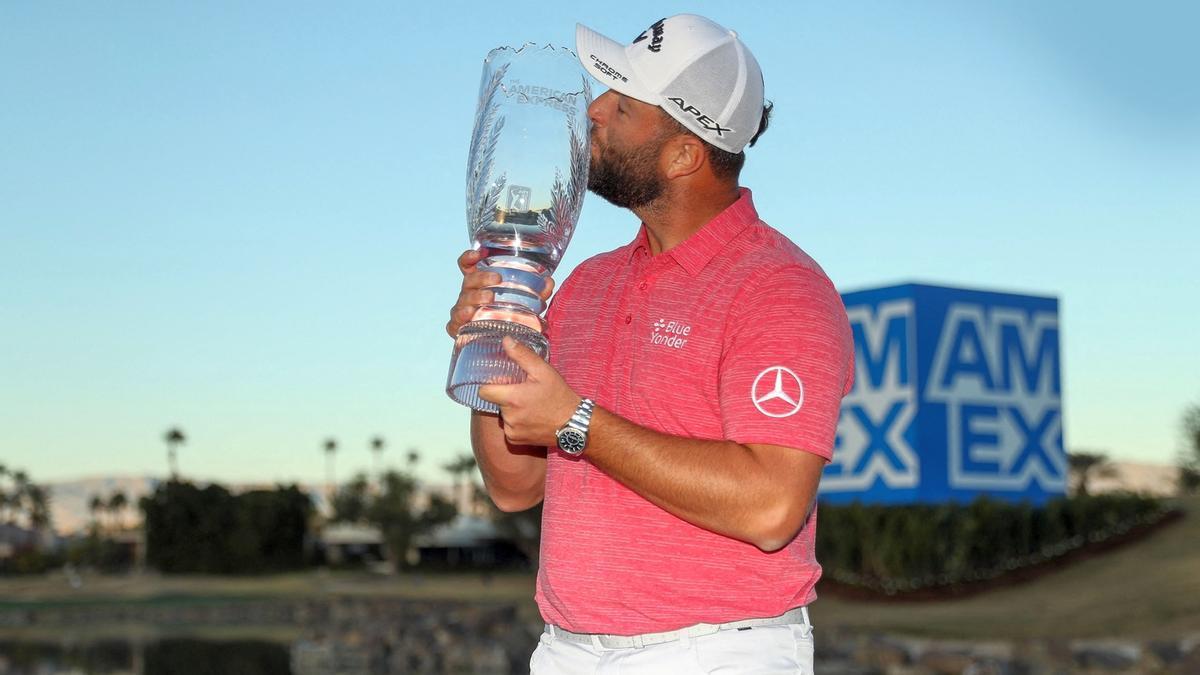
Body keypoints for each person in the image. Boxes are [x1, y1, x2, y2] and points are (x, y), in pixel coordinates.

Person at [446, 14, 853, 674]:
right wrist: (493, 338)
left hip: (718, 651)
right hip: (567, 648)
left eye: (622, 104)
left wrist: (576, 421)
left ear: (683, 155)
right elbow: (513, 483)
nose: (593, 112)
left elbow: (772, 505)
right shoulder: (586, 283)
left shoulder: (781, 288)